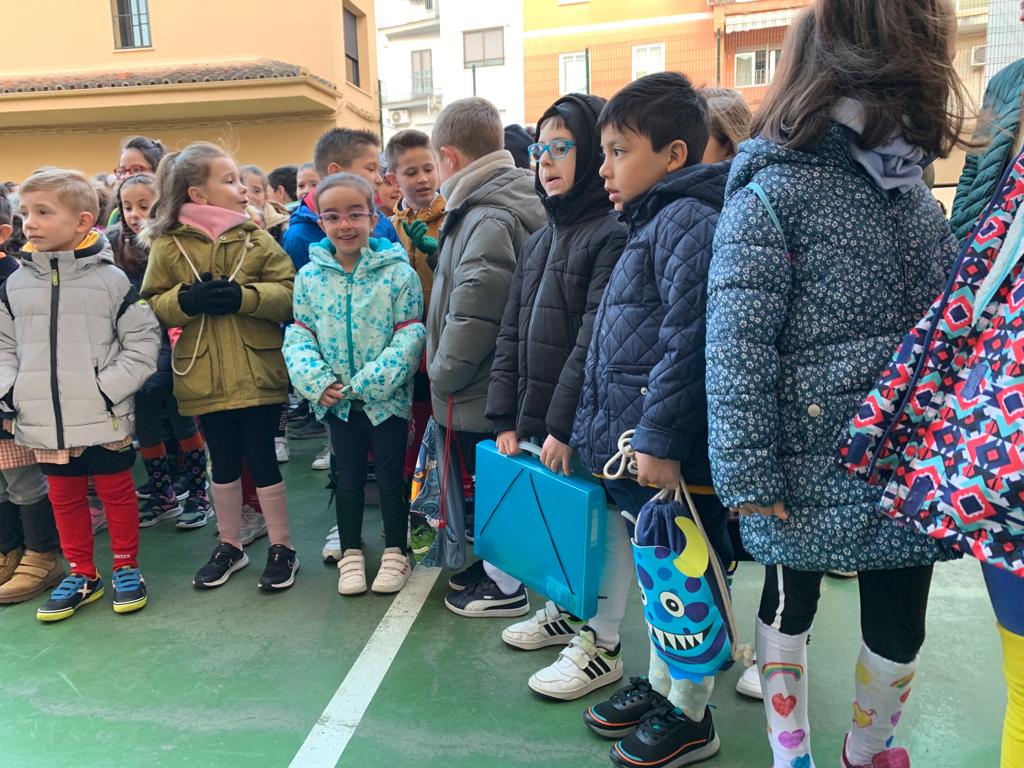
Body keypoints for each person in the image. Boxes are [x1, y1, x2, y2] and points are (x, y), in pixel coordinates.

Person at [706, 2, 974, 766]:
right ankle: (792, 754)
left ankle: (868, 750)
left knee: (900, 626)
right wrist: (747, 472)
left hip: (905, 464)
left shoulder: (911, 194)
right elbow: (736, 343)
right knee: (789, 608)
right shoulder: (774, 192)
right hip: (802, 462)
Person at [558, 73, 731, 768]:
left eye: (619, 151)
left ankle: (691, 715)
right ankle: (664, 691)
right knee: (661, 581)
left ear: (674, 154)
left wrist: (659, 438)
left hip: (660, 453)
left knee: (683, 584)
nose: (604, 168)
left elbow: (690, 339)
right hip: (635, 453)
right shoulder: (651, 220)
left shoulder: (687, 220)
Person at [486, 93, 630, 701]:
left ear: (594, 153)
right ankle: (569, 613)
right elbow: (512, 333)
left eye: (562, 147)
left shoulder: (612, 236)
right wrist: (506, 415)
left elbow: (592, 343)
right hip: (545, 421)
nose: (545, 160)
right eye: (539, 149)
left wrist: (562, 426)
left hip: (586, 424)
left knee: (604, 527)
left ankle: (604, 641)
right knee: (562, 522)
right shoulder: (542, 239)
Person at [0, 169, 161, 622]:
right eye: (25, 213)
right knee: (64, 497)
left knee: (116, 491)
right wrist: (12, 391)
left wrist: (106, 390)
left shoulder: (111, 281)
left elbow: (142, 342)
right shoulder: (15, 285)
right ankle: (82, 573)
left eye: (43, 212)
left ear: (83, 221)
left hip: (103, 417)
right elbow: (3, 345)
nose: (30, 223)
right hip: (44, 421)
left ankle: (126, 567)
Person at [141, 142, 298, 592]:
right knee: (223, 460)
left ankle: (283, 547)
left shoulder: (256, 238)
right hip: (203, 375)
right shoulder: (169, 245)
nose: (243, 189)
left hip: (257, 369)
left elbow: (290, 293)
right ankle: (230, 543)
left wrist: (247, 298)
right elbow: (151, 303)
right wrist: (186, 301)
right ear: (197, 194)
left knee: (263, 458)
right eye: (229, 181)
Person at [426, 97, 545, 617]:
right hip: (499, 377)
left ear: (449, 157)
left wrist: (443, 372)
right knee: (503, 478)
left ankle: (505, 584)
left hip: (482, 381)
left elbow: (476, 306)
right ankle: (500, 567)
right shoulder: (502, 199)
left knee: (499, 480)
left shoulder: (487, 213)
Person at [284, 173, 424, 595]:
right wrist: (317, 382)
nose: (344, 225)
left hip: (386, 401)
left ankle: (396, 551)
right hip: (337, 402)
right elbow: (300, 335)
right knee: (346, 477)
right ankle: (350, 553)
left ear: (372, 217)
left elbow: (410, 335)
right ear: (320, 222)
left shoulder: (398, 274)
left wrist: (369, 382)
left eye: (354, 214)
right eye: (332, 216)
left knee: (390, 477)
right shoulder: (309, 277)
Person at [108, 174, 213, 530]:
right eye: (127, 206)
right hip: (130, 351)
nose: (134, 214)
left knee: (182, 419)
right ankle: (163, 492)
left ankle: (198, 491)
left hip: (174, 346)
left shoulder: (172, 244)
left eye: (144, 205)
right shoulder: (114, 247)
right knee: (146, 422)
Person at [0, 192, 64, 606]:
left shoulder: (15, 283)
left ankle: (42, 553)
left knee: (22, 482)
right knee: (1, 486)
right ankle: (9, 550)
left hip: (9, 404)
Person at [950, 2, 1024, 243]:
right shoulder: (1003, 81)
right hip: (986, 246)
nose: (1021, 11)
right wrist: (960, 226)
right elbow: (972, 167)